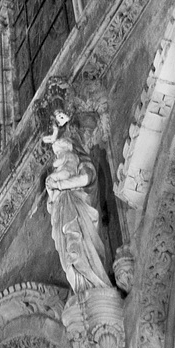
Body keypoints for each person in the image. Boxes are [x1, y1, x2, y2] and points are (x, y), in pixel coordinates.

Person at [43, 109, 112, 294]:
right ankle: (80, 282)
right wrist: (52, 190)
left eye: (62, 154)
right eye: (57, 156)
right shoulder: (60, 176)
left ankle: (94, 280)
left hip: (80, 212)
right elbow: (51, 204)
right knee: (69, 253)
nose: (59, 159)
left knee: (81, 245)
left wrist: (60, 185)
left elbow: (85, 180)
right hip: (63, 214)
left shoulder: (83, 165)